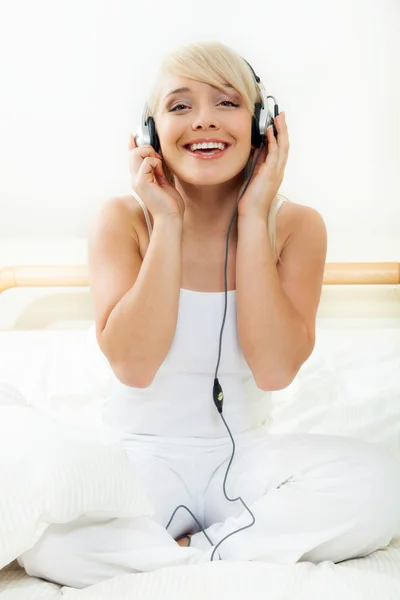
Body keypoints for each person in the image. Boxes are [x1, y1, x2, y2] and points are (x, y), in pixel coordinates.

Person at [18, 40, 400, 589]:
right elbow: (134, 366)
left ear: (262, 124)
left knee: (381, 485)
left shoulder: (296, 227)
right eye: (179, 106)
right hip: (142, 458)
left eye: (227, 102)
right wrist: (166, 222)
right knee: (50, 539)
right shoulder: (123, 221)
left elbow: (273, 371)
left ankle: (181, 555)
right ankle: (232, 550)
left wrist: (254, 214)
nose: (204, 121)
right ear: (150, 132)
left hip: (250, 460)